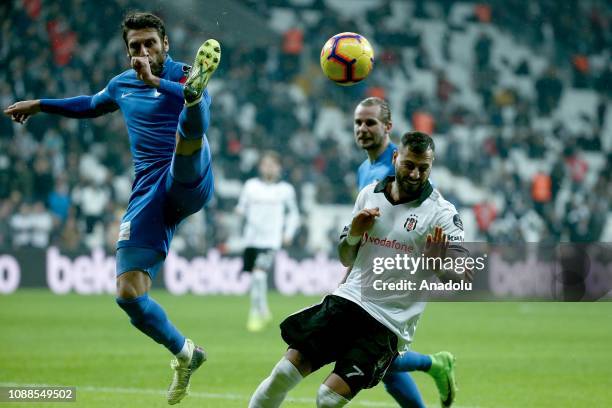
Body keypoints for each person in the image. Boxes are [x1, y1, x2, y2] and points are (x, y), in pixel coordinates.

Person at [4, 12, 221, 405]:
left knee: (190, 125)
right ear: (126, 52)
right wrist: (39, 105)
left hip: (189, 176)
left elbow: (203, 108)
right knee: (128, 294)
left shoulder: (185, 71)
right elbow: (88, 104)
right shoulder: (121, 84)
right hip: (149, 192)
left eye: (150, 43)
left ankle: (183, 140)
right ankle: (186, 354)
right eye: (135, 46)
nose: (143, 50)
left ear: (165, 45)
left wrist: (158, 82)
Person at [249, 131, 469, 407]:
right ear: (396, 157)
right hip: (348, 302)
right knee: (282, 373)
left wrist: (438, 264)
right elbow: (345, 257)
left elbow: (461, 276)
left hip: (388, 323)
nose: (415, 174)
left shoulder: (443, 215)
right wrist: (353, 234)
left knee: (328, 399)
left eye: (423, 168)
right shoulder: (369, 194)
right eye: (409, 165)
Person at [354, 97, 457, 407]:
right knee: (384, 368)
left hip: (398, 278)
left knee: (368, 356)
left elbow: (426, 203)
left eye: (370, 122)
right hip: (368, 275)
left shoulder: (397, 167)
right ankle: (435, 365)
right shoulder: (365, 168)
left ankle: (433, 363)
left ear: (388, 128)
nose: (363, 129)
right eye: (359, 122)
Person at [236, 151, 300, 332]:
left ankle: (254, 314)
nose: (269, 168)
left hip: (270, 241)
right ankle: (263, 309)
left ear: (279, 168)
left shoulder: (285, 190)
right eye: (266, 164)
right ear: (260, 167)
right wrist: (239, 212)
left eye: (273, 164)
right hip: (250, 240)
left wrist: (288, 233)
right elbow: (241, 207)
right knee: (255, 278)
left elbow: (294, 214)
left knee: (259, 275)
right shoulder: (250, 186)